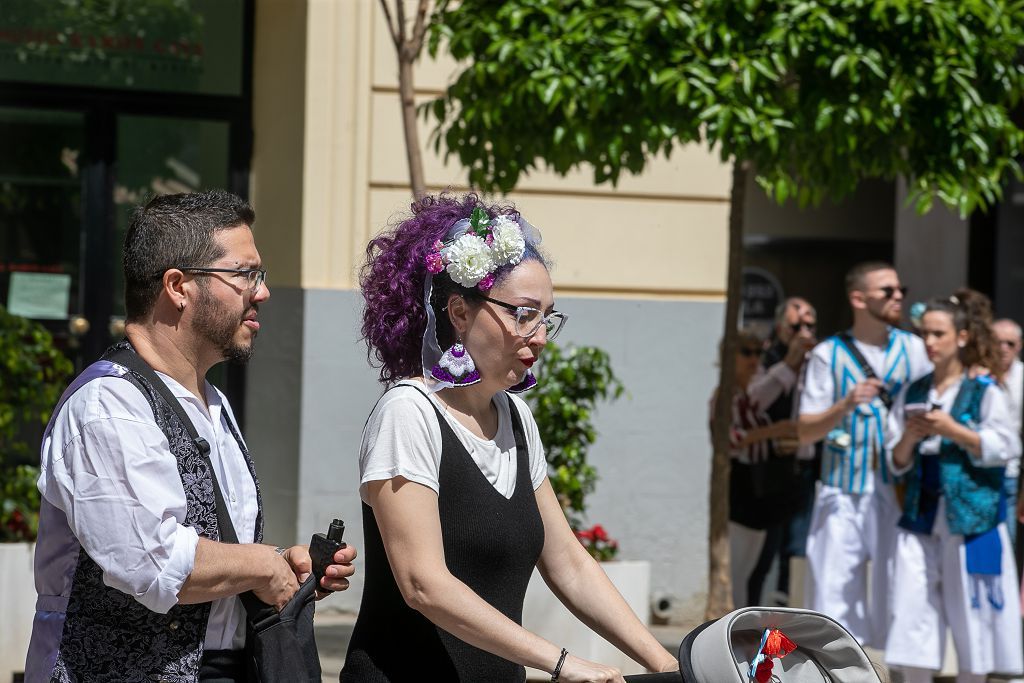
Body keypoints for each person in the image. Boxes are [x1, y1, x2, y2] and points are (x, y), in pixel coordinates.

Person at [341, 194, 678, 682]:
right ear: (458, 312)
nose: (540, 335)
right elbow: (423, 585)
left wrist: (666, 662)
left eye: (547, 317)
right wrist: (562, 663)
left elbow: (568, 565)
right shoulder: (408, 412)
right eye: (524, 314)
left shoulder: (515, 416)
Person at [26, 191, 357, 682]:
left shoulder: (212, 403)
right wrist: (264, 566)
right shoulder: (109, 406)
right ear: (178, 286)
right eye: (245, 274)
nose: (261, 292)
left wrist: (285, 566)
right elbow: (152, 560)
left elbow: (211, 548)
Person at [884, 293, 1023, 683]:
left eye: (938, 334)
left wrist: (955, 431)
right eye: (925, 333)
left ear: (961, 337)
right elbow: (894, 462)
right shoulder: (912, 392)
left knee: (973, 617)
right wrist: (910, 439)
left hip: (973, 516)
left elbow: (1007, 446)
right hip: (921, 514)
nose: (929, 342)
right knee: (913, 609)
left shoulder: (984, 392)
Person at [797, 261, 931, 647]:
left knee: (898, 591)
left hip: (899, 491)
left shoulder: (916, 349)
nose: (898, 297)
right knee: (832, 593)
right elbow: (806, 429)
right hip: (842, 490)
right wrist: (845, 404)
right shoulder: (827, 354)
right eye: (887, 291)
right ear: (858, 298)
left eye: (900, 289)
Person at [709, 329, 799, 607]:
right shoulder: (724, 398)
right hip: (739, 488)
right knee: (736, 575)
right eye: (745, 352)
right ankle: (734, 636)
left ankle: (743, 635)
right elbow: (730, 441)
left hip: (759, 492)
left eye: (758, 352)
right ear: (728, 357)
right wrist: (773, 431)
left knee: (751, 574)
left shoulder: (748, 398)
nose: (753, 359)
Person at [750, 297, 819, 606]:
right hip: (771, 469)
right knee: (766, 550)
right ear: (780, 328)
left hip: (806, 468)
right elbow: (755, 402)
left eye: (810, 325)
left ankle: (788, 614)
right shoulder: (766, 359)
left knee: (797, 549)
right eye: (796, 325)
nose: (804, 331)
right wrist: (789, 364)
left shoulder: (821, 362)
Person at [993, 319, 1024, 548]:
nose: (1003, 348)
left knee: (1007, 542)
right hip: (977, 471)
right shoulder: (976, 376)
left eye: (1009, 343)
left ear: (1019, 346)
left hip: (1011, 472)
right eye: (997, 342)